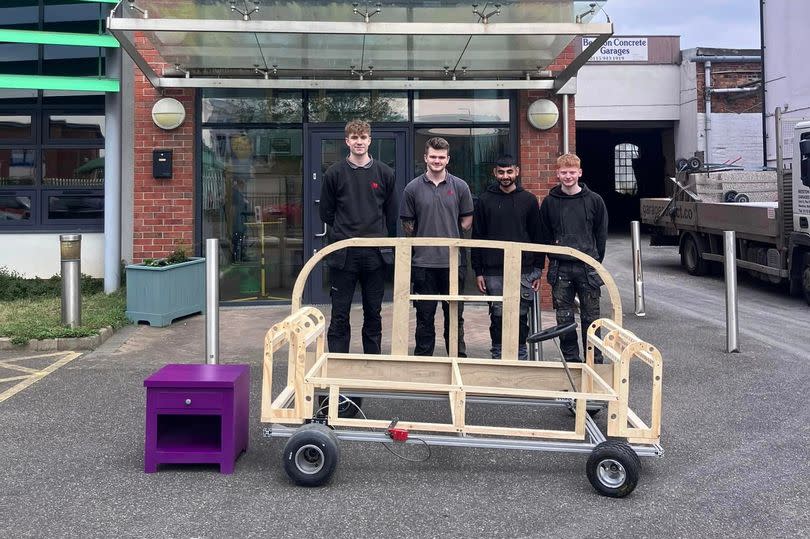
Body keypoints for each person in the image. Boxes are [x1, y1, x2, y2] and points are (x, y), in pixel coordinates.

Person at [319, 119, 397, 355]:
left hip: (375, 255)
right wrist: (345, 233)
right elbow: (326, 212)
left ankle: (371, 365)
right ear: (347, 141)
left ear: (369, 140)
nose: (359, 142)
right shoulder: (333, 173)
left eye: (363, 137)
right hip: (343, 255)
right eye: (354, 138)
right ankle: (337, 364)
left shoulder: (385, 173)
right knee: (339, 313)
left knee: (373, 312)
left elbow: (391, 214)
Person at [400, 137, 473, 357]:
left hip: (453, 263)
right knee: (424, 316)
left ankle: (457, 360)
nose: (437, 161)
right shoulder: (412, 188)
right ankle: (423, 362)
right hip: (423, 263)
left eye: (441, 157)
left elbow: (467, 220)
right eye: (433, 156)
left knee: (454, 316)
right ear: (425, 158)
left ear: (448, 159)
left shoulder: (460, 186)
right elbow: (408, 225)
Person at [471, 155, 543, 360]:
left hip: (525, 270)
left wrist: (538, 268)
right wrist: (478, 272)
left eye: (509, 172)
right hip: (493, 270)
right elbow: (478, 237)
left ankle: (520, 357)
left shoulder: (528, 200)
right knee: (498, 316)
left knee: (520, 316)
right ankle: (498, 354)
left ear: (517, 172)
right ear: (495, 173)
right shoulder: (484, 200)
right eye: (501, 172)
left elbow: (537, 235)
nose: (505, 176)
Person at [539, 153, 608, 363]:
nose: (568, 176)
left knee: (591, 317)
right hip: (560, 268)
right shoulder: (550, 202)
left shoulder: (594, 200)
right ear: (557, 174)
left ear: (580, 173)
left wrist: (595, 261)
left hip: (587, 267)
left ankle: (594, 361)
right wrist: (554, 253)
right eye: (564, 172)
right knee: (564, 317)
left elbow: (601, 234)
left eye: (572, 172)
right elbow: (545, 234)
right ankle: (571, 360)